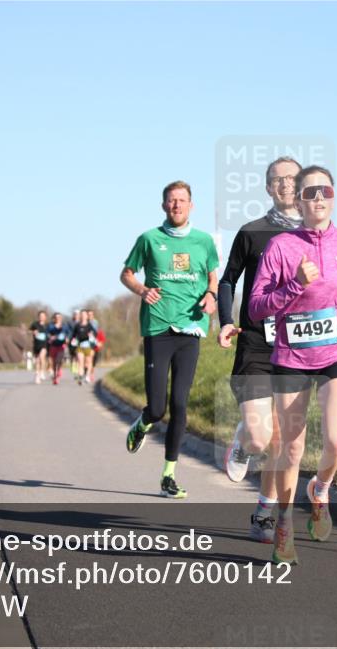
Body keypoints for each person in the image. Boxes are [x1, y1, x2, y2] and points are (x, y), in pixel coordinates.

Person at [248, 165, 337, 564]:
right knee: (292, 447)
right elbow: (256, 307)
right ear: (298, 201)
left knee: (336, 441)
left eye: (325, 191)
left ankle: (320, 488)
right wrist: (295, 284)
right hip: (292, 356)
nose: (318, 198)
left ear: (334, 197)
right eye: (310, 192)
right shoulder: (281, 247)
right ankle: (284, 523)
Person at [218, 156, 303, 543]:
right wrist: (225, 320)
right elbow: (228, 281)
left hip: (296, 348)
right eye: (277, 179)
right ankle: (243, 441)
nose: (285, 184)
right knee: (259, 437)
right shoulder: (252, 232)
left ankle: (263, 515)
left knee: (281, 440)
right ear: (269, 188)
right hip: (255, 343)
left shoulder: (316, 236)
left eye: (292, 178)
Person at [120, 180, 219, 499]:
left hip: (191, 328)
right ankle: (143, 422)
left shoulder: (204, 241)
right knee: (158, 408)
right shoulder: (149, 239)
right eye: (171, 200)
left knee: (179, 404)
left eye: (182, 200)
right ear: (164, 205)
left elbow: (213, 277)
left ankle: (168, 475)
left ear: (191, 205)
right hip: (158, 328)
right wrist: (142, 290)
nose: (176, 205)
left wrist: (212, 295)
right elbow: (126, 273)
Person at [70, 309, 96, 385]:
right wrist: (73, 340)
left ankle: (87, 375)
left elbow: (95, 334)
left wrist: (91, 335)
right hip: (80, 346)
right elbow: (73, 335)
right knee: (80, 362)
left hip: (88, 346)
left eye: (84, 315)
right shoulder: (77, 325)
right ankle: (80, 377)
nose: (83, 316)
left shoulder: (90, 325)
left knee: (88, 362)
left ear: (87, 316)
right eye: (82, 315)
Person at [46, 312, 70, 385]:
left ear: (61, 318)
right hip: (53, 345)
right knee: (54, 362)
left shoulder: (64, 326)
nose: (58, 319)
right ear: (54, 318)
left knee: (58, 360)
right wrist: (50, 337)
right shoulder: (50, 326)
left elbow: (69, 333)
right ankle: (55, 376)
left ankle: (58, 370)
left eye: (59, 317)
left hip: (61, 345)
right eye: (56, 317)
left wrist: (67, 338)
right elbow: (47, 333)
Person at [29, 310, 50, 384]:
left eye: (43, 316)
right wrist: (33, 332)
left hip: (44, 344)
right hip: (37, 344)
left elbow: (51, 332)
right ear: (38, 317)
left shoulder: (48, 325)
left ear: (45, 317)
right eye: (40, 316)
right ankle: (37, 375)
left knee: (42, 357)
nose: (41, 317)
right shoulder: (35, 324)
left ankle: (42, 371)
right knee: (37, 360)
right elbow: (29, 331)